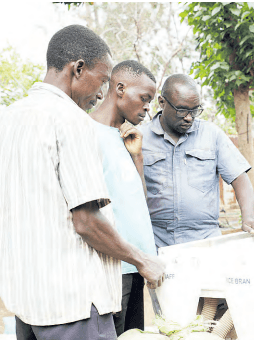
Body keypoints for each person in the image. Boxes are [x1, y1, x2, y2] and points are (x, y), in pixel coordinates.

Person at [0, 25, 164, 340]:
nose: (102, 93)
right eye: (102, 80)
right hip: (74, 304)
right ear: (78, 69)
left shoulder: (7, 119)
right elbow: (86, 221)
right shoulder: (72, 122)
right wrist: (141, 259)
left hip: (27, 301)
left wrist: (7, 225)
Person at [140, 74, 254, 248]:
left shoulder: (212, 135)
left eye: (194, 111)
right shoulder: (140, 138)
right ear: (162, 102)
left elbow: (240, 179)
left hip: (205, 240)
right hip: (156, 241)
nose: (189, 117)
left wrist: (248, 218)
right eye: (182, 110)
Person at [89, 60, 159, 336]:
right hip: (111, 268)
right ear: (120, 89)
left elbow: (138, 199)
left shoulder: (123, 138)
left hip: (135, 266)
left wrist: (137, 157)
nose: (146, 108)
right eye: (144, 98)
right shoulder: (86, 132)